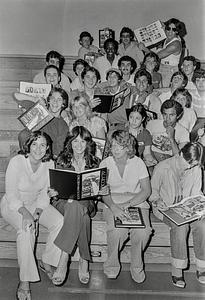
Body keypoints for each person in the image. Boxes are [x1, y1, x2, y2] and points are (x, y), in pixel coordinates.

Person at [0, 131, 69, 299]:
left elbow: (45, 195)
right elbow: (11, 194)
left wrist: (37, 213)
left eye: (43, 145)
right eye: (35, 144)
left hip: (36, 204)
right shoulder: (17, 162)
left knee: (60, 221)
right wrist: (27, 215)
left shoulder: (49, 163)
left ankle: (47, 261)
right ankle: (24, 281)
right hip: (14, 205)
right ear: (28, 146)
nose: (39, 149)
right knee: (26, 230)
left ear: (47, 147)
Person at [50, 126, 102, 284]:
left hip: (87, 202)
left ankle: (63, 258)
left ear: (88, 143)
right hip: (63, 202)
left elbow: (96, 192)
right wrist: (53, 192)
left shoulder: (95, 161)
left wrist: (101, 190)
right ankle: (84, 259)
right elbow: (55, 188)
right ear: (70, 142)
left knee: (78, 207)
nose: (78, 145)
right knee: (79, 212)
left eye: (82, 141)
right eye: (75, 141)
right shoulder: (61, 159)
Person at [150, 142, 205, 288]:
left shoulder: (195, 167)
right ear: (180, 153)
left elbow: (197, 193)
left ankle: (201, 266)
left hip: (187, 208)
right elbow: (152, 192)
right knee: (180, 226)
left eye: (192, 165)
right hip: (164, 207)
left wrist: (200, 209)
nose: (189, 167)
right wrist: (157, 201)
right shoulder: (163, 167)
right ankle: (177, 268)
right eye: (187, 163)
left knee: (202, 224)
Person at [99, 130, 152, 283]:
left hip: (136, 200)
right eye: (113, 145)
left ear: (128, 147)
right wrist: (114, 207)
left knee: (143, 232)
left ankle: (136, 267)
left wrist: (127, 205)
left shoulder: (138, 162)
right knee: (117, 231)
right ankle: (111, 266)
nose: (115, 149)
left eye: (120, 146)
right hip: (112, 201)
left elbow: (146, 190)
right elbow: (103, 192)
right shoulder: (105, 163)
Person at [18, 87, 70, 158]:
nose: (55, 102)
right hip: (30, 154)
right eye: (53, 98)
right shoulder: (40, 111)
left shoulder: (63, 125)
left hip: (47, 157)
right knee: (24, 134)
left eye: (59, 99)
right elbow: (15, 96)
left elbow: (58, 151)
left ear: (63, 104)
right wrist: (35, 99)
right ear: (48, 100)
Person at [125, 104, 157, 168]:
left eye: (137, 118)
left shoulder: (146, 134)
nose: (133, 121)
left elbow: (147, 153)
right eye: (131, 117)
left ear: (143, 119)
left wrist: (150, 159)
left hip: (138, 162)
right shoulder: (122, 131)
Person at [189, 69, 205, 141]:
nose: (200, 83)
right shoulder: (190, 93)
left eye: (203, 80)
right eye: (198, 80)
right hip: (194, 121)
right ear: (194, 82)